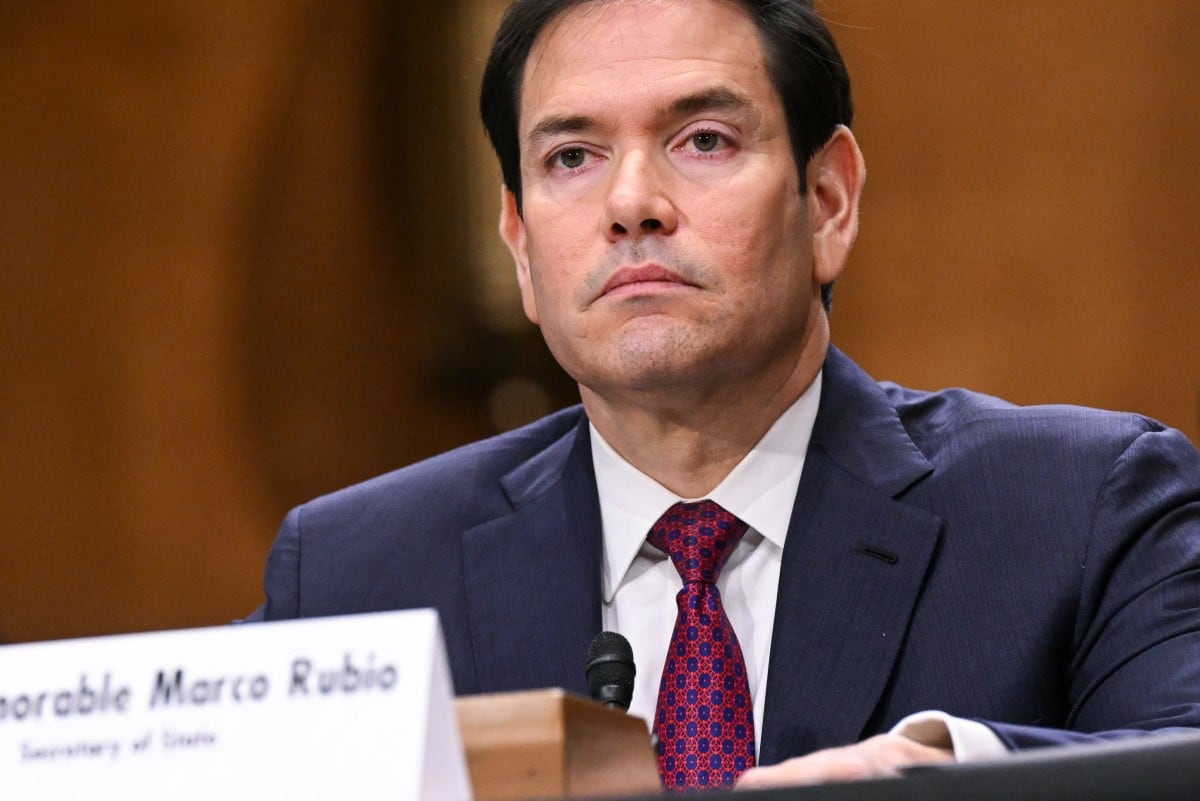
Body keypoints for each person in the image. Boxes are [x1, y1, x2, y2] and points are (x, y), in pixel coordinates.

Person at [249, 0, 1200, 790]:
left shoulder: (1083, 510)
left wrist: (940, 776)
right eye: (571, 157)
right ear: (521, 247)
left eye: (703, 140)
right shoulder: (351, 580)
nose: (632, 203)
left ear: (828, 201)